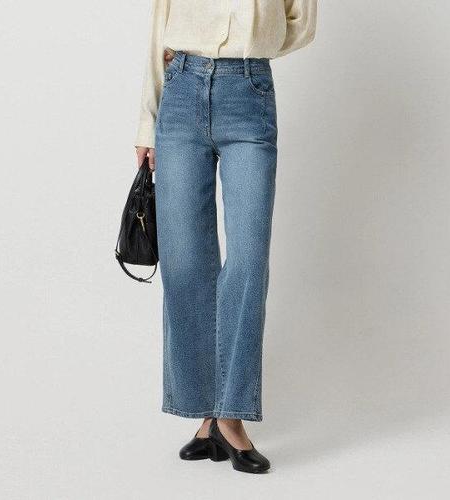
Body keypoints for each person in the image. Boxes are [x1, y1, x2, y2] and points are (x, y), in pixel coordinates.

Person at [134, 0, 317, 474]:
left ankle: (231, 415)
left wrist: (251, 41)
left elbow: (302, 23)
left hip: (248, 92)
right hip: (180, 92)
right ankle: (207, 416)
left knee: (248, 261)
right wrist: (146, 123)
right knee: (185, 263)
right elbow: (159, 26)